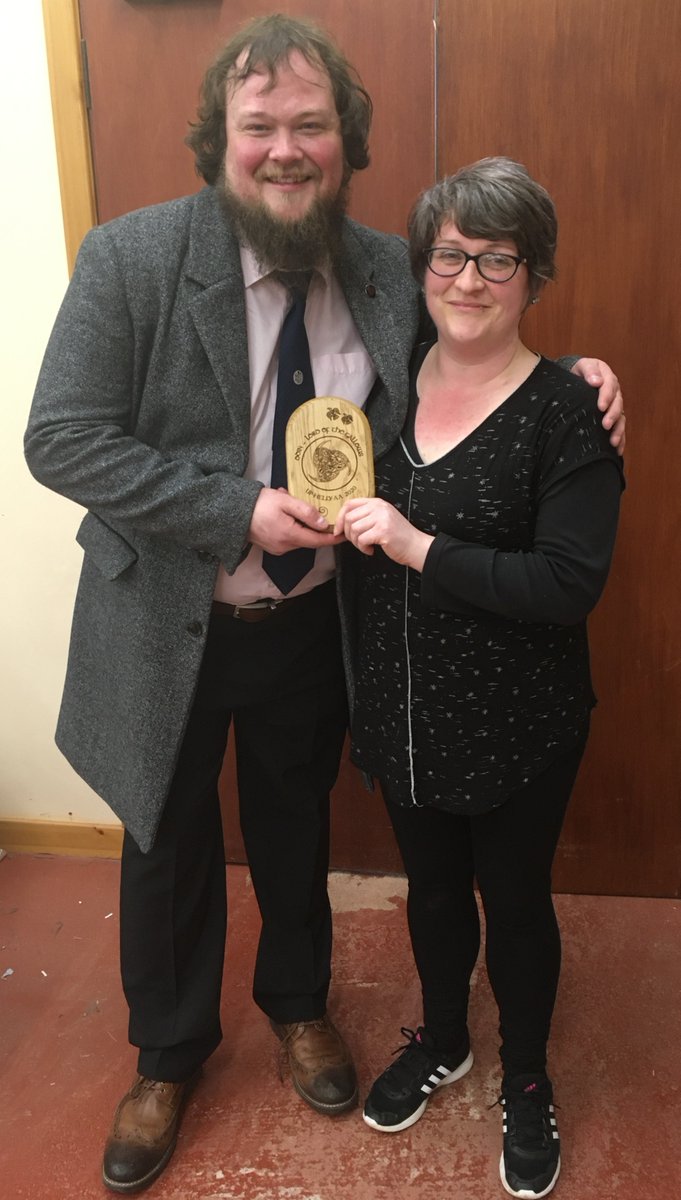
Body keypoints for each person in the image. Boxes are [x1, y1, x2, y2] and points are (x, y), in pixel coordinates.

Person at [25, 14, 624, 1195]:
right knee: (167, 836)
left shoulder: (383, 268)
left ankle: (299, 1006)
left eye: (312, 125)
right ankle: (167, 1054)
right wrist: (231, 508)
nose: (286, 149)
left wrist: (581, 373)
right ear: (221, 141)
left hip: (313, 623)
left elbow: (477, 346)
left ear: (346, 144)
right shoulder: (130, 259)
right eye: (261, 127)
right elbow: (60, 440)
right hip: (167, 619)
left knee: (294, 822)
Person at [335, 157, 624, 1199]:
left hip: (518, 722)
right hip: (403, 710)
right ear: (422, 269)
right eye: (450, 254)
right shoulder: (388, 374)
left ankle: (531, 1076)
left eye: (496, 258)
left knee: (515, 902)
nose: (468, 278)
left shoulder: (567, 411)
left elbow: (566, 584)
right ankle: (446, 1038)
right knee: (434, 897)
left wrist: (417, 547)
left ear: (532, 275)